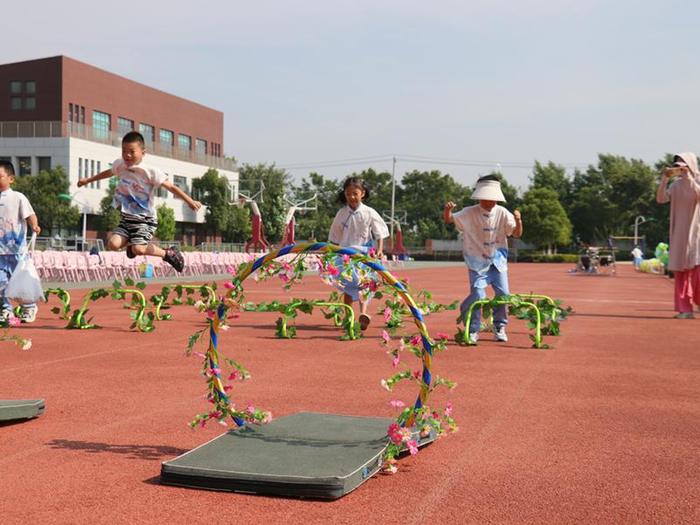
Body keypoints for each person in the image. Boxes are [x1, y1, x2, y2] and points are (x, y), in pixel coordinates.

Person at [77, 131, 201, 272]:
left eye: (131, 151)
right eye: (124, 151)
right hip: (127, 220)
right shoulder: (120, 165)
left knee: (139, 248)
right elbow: (108, 172)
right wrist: (88, 180)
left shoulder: (151, 171)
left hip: (145, 219)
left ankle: (168, 253)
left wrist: (189, 201)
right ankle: (132, 245)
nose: (127, 155)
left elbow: (171, 187)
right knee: (113, 244)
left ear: (143, 152)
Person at [444, 175, 523, 343]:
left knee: (504, 294)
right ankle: (473, 329)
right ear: (480, 197)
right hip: (477, 261)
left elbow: (516, 233)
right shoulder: (469, 212)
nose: (490, 202)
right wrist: (447, 211)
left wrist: (518, 220)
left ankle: (499, 326)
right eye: (487, 199)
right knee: (478, 295)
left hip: (498, 260)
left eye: (493, 199)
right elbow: (450, 219)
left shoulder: (502, 212)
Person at [328, 176, 389, 330]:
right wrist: (331, 252)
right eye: (348, 194)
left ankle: (363, 314)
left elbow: (379, 232)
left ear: (362, 193)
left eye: (355, 193)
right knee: (348, 285)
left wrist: (380, 250)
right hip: (345, 254)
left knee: (364, 285)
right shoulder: (342, 213)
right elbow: (334, 235)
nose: (352, 197)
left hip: (364, 254)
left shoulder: (369, 212)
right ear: (345, 195)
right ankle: (348, 316)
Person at [655, 152, 700, 319]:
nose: (679, 168)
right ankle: (685, 309)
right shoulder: (675, 185)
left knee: (698, 273)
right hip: (680, 234)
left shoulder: (697, 181)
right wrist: (665, 179)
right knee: (680, 273)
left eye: (683, 164)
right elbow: (660, 199)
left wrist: (690, 178)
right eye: (677, 165)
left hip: (696, 234)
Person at [0, 160, 42, 323]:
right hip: (0, 252)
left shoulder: (18, 197)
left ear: (11, 179)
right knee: (1, 282)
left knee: (21, 281)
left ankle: (29, 307)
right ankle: (6, 309)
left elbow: (30, 214)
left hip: (17, 251)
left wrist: (34, 225)